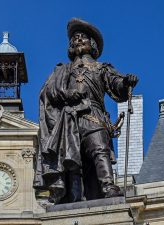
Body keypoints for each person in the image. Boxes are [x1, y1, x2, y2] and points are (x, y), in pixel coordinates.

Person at [33, 18, 138, 204]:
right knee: (72, 160)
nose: (78, 40)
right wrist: (66, 93)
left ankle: (108, 186)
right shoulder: (63, 70)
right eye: (75, 38)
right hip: (69, 119)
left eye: (83, 37)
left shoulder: (101, 68)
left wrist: (126, 82)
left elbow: (116, 85)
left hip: (93, 116)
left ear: (93, 44)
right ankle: (74, 197)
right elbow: (47, 91)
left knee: (99, 149)